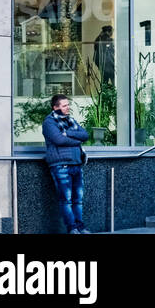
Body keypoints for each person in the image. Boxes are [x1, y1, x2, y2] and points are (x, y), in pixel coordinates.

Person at [42, 94, 89, 234]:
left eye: (68, 105)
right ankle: (72, 228)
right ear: (55, 107)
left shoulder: (70, 121)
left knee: (78, 200)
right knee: (66, 200)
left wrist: (67, 133)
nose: (68, 107)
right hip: (60, 165)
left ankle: (80, 227)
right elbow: (59, 140)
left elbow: (85, 135)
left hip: (76, 164)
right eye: (64, 105)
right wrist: (76, 141)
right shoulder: (49, 122)